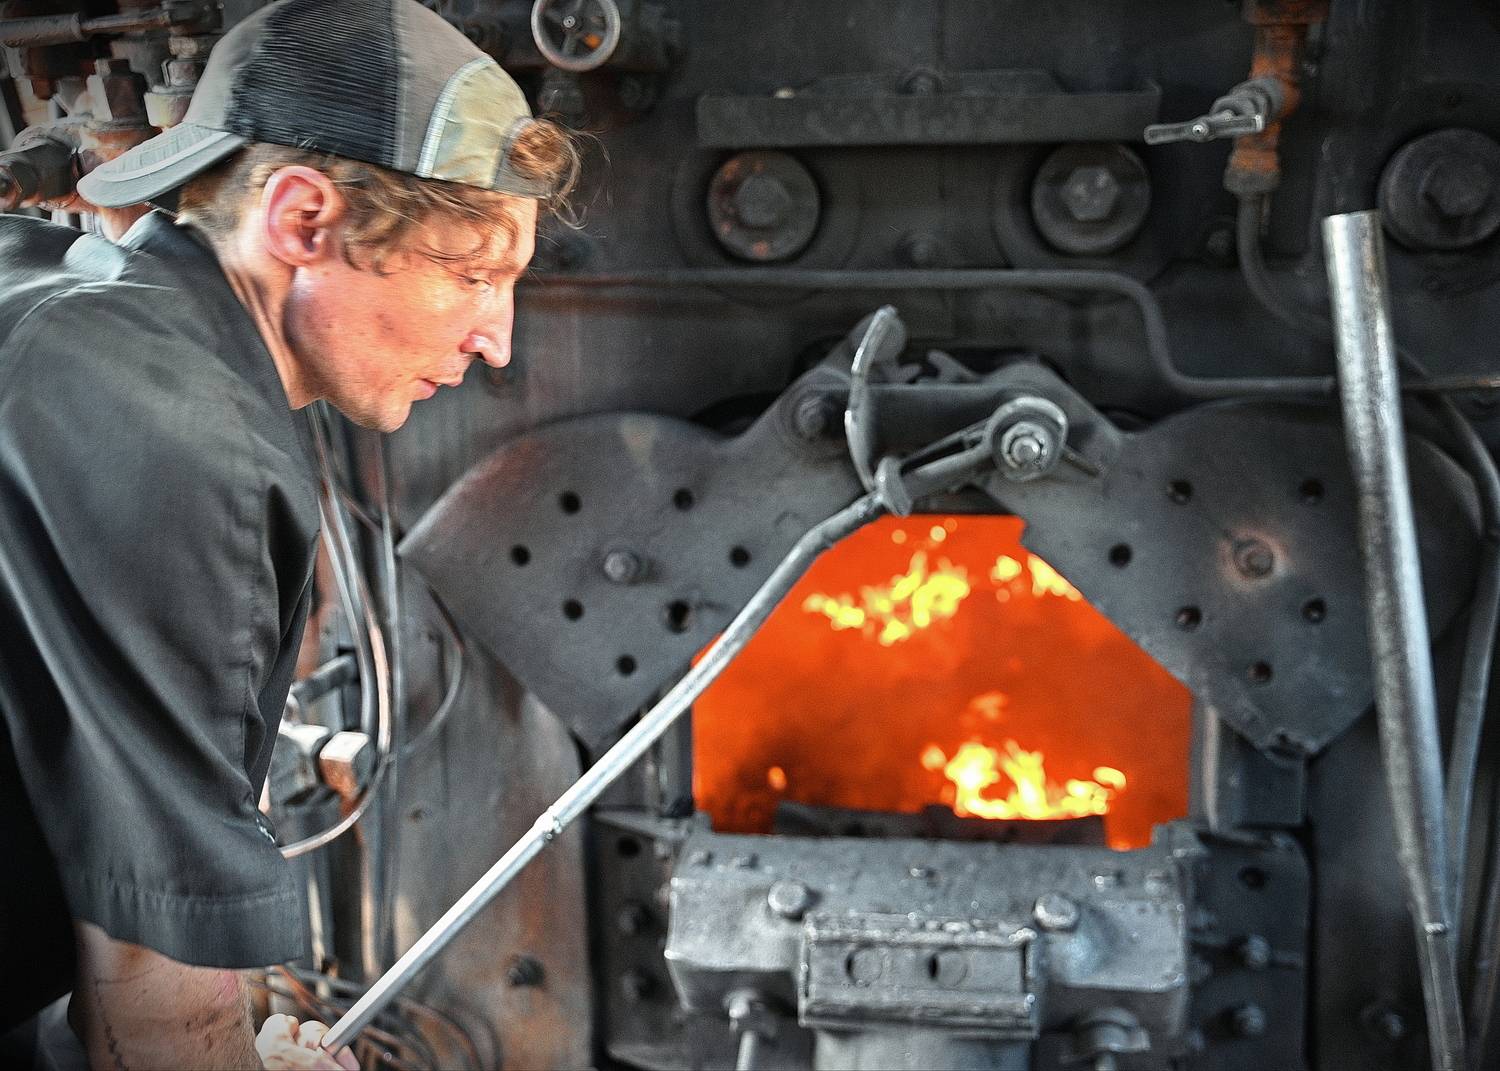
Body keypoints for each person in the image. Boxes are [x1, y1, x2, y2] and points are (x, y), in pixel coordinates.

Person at [0, 0, 578, 1065]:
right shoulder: (186, 443)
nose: (496, 339)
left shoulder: (45, 285)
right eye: (472, 276)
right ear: (304, 220)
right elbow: (148, 967)